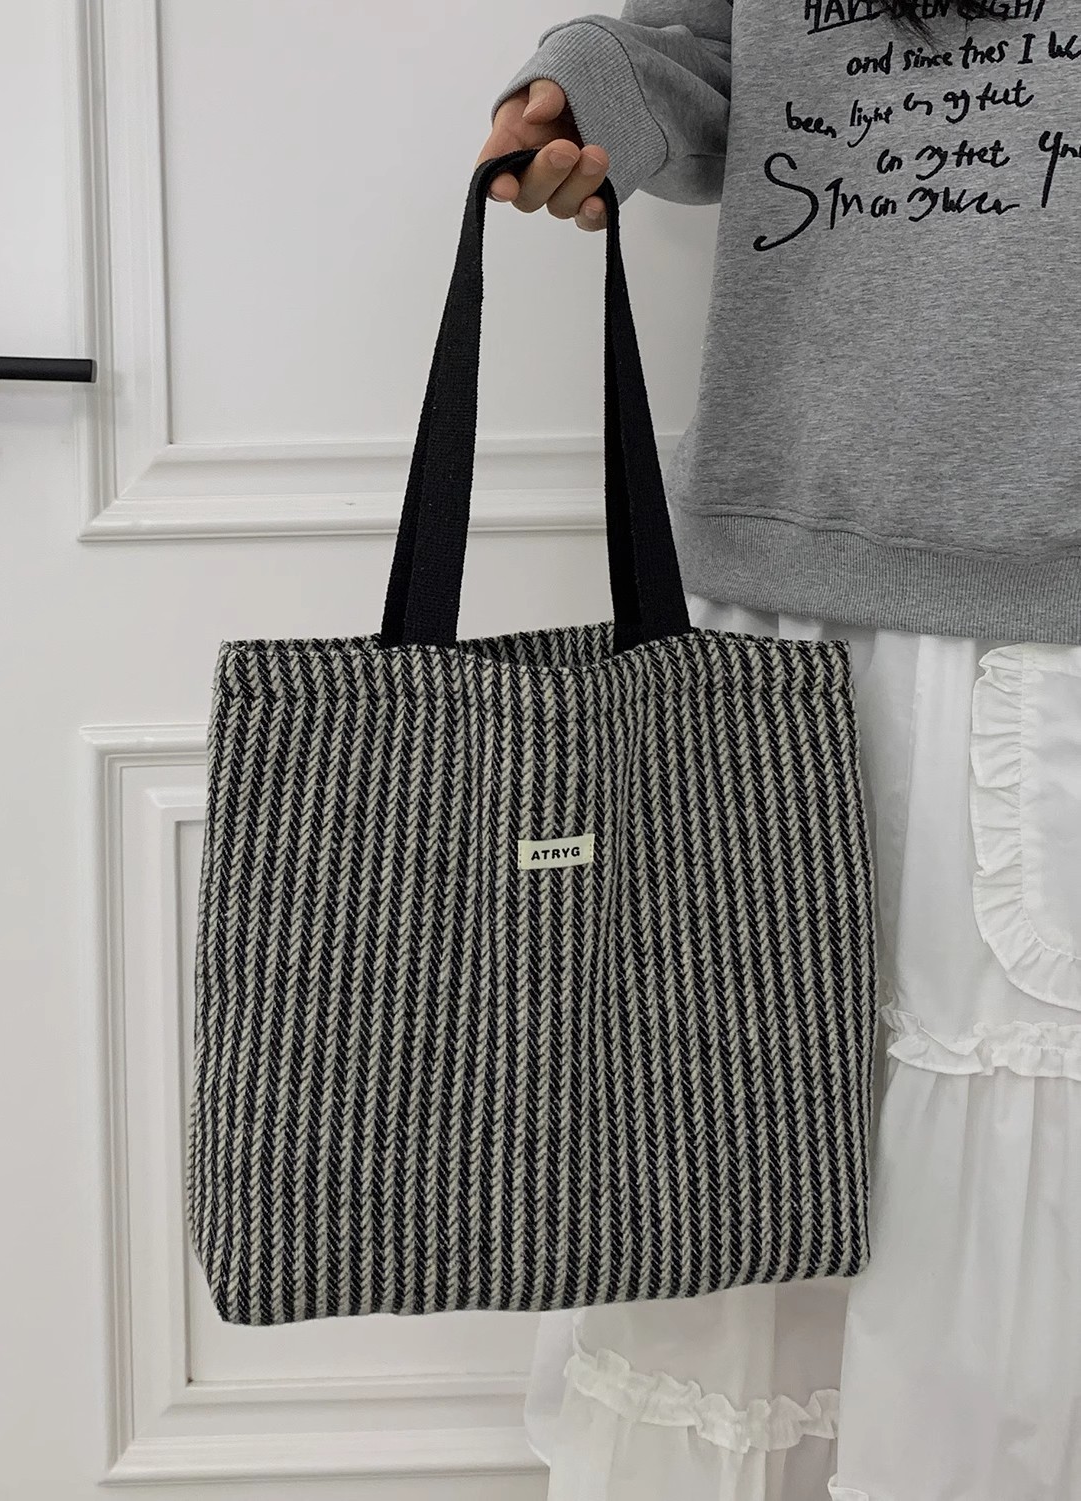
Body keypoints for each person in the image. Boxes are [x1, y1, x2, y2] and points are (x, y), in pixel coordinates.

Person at [479, 3, 1081, 1498]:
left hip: (1044, 606)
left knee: (997, 1219)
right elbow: (710, 46)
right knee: (730, 1126)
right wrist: (595, 94)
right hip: (779, 577)